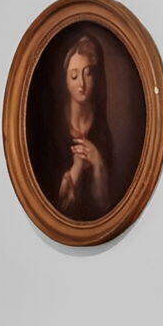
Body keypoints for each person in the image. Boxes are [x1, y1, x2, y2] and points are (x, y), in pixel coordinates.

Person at [50, 32, 116, 219]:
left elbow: (104, 204)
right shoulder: (55, 129)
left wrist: (97, 161)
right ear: (65, 80)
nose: (82, 84)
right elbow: (59, 206)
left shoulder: (101, 130)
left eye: (88, 74)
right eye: (74, 75)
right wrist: (77, 168)